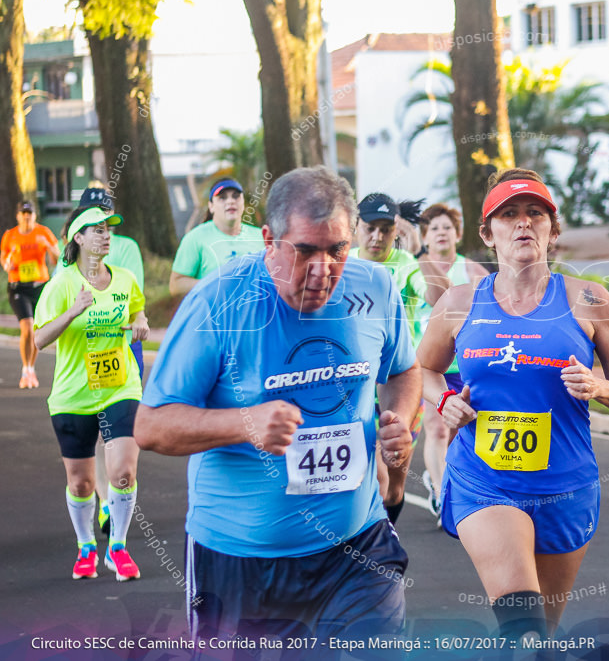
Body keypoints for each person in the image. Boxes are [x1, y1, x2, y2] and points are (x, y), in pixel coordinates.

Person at [136, 166, 421, 643]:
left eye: (338, 250)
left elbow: (404, 370)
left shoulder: (375, 287)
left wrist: (399, 422)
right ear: (268, 239)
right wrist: (245, 423)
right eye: (305, 250)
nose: (323, 269)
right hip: (240, 561)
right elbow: (150, 425)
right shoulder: (220, 302)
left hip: (357, 549)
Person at [417, 168, 609, 638]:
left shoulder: (589, 300)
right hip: (485, 480)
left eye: (535, 214)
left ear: (552, 230)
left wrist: (599, 387)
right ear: (488, 233)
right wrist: (443, 404)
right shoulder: (459, 303)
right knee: (523, 626)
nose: (523, 223)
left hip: (566, 485)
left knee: (543, 634)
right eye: (509, 215)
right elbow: (423, 369)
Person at [33, 204, 148, 581]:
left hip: (119, 386)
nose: (106, 234)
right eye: (96, 229)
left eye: (108, 229)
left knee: (123, 472)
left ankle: (117, 546)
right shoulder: (63, 284)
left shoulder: (125, 279)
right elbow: (39, 338)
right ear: (78, 238)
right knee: (81, 483)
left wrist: (141, 323)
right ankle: (86, 546)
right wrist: (73, 312)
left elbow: (136, 310)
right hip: (73, 394)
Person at [409, 203, 489, 518]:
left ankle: (453, 479)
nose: (441, 233)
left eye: (447, 227)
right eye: (434, 228)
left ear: (457, 233)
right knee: (437, 428)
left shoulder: (471, 271)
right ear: (424, 237)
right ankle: (444, 496)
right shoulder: (413, 267)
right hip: (430, 366)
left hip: (467, 365)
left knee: (462, 429)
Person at [77, 187, 147, 538]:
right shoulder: (68, 262)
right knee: (89, 434)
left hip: (122, 349)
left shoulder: (129, 248)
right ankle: (104, 500)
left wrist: (139, 320)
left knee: (115, 435)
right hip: (85, 352)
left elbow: (134, 299)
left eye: (105, 213)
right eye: (92, 214)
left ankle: (113, 495)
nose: (101, 222)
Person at [352, 192, 424, 524]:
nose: (377, 237)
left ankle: (386, 529)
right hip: (357, 383)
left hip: (400, 380)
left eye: (386, 229)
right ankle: (374, 547)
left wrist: (421, 250)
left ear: (397, 231)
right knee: (376, 481)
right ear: (356, 226)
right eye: (370, 228)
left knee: (394, 487)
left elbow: (432, 295)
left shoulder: (407, 266)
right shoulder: (342, 264)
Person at [168, 177, 264, 296]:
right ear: (211, 206)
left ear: (243, 203)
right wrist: (215, 284)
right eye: (222, 198)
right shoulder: (195, 238)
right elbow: (176, 285)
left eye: (236, 196)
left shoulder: (261, 236)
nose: (230, 201)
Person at [2, 201, 59, 388]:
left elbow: (56, 259)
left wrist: (48, 247)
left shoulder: (43, 233)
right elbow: (4, 259)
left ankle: (31, 369)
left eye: (30, 213)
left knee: (35, 330)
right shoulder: (10, 236)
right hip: (18, 287)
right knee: (26, 327)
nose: (27, 216)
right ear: (18, 216)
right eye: (23, 213)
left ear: (35, 215)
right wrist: (6, 264)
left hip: (39, 287)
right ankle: (25, 369)